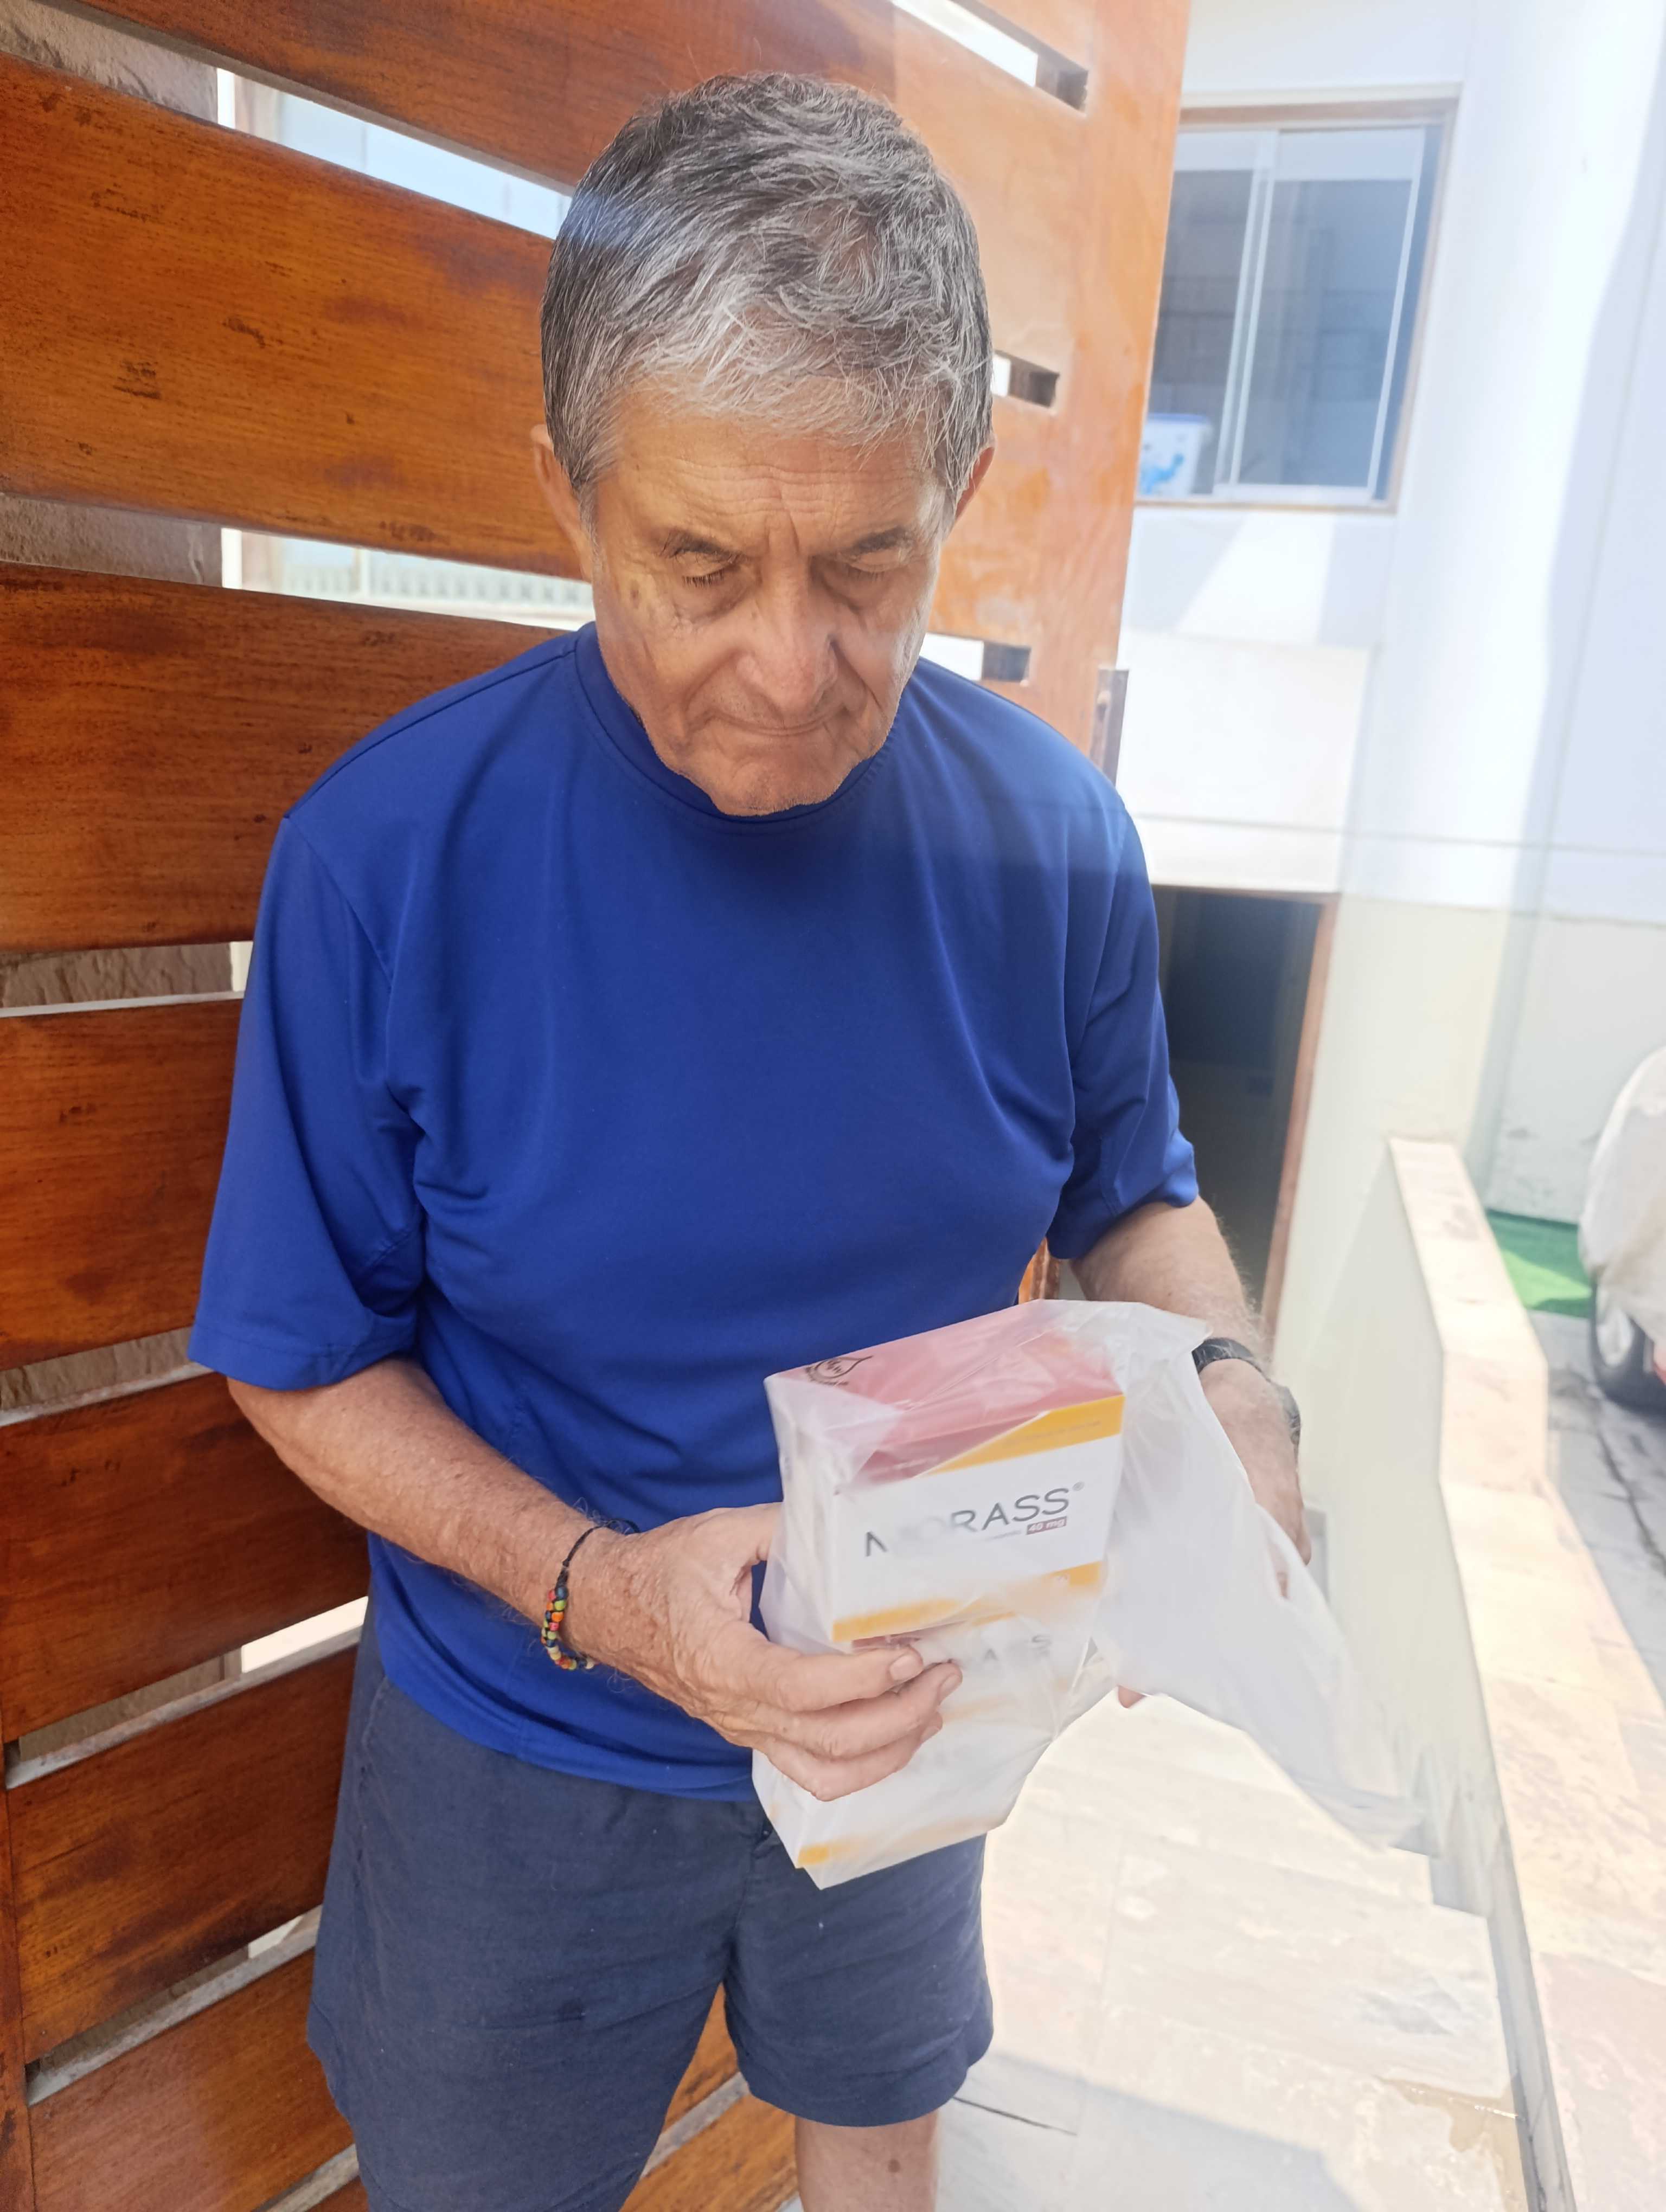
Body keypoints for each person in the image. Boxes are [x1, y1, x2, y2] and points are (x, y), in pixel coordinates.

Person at [189, 72, 1306, 2212]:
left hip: (922, 1713)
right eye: (698, 565)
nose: (790, 669)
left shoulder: (1056, 842)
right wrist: (605, 1593)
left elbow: (1137, 1196)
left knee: (881, 2146)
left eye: (870, 566)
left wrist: (1235, 1393)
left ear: (959, 491)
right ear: (569, 495)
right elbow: (298, 1361)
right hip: (524, 1748)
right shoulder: (387, 863)